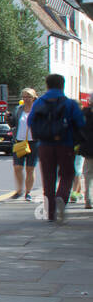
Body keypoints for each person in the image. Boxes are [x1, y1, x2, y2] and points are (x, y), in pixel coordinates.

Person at [27, 73, 86, 224]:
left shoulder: (39, 102)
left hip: (45, 145)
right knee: (67, 174)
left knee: (48, 178)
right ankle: (62, 197)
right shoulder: (69, 104)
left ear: (47, 85)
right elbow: (80, 123)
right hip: (65, 144)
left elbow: (31, 120)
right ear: (62, 85)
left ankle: (50, 213)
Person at [12, 88, 39, 200]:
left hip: (34, 142)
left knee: (30, 168)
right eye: (24, 97)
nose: (26, 99)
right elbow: (13, 123)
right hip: (20, 141)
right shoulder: (18, 109)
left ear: (33, 98)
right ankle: (19, 190)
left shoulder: (38, 110)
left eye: (28, 97)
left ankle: (28, 192)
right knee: (17, 167)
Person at [78, 100, 93, 209]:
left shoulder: (85, 113)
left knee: (87, 174)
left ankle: (88, 200)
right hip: (88, 148)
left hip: (88, 149)